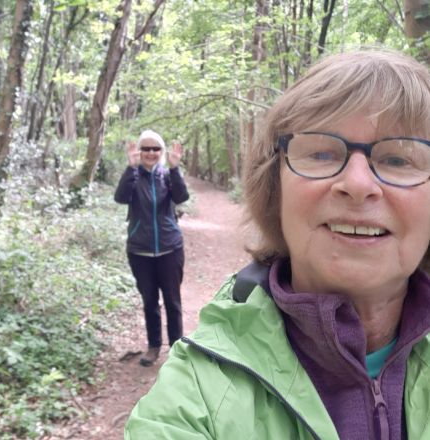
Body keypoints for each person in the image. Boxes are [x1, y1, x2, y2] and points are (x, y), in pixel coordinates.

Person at [125, 48, 430, 439]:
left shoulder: (168, 175)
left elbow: (180, 194)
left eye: (398, 160)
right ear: (275, 188)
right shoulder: (198, 399)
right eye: (321, 153)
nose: (357, 184)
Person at [114, 129, 189, 367]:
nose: (150, 153)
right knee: (149, 301)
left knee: (172, 301)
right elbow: (120, 197)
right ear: (139, 150)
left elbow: (182, 196)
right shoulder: (133, 177)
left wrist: (175, 169)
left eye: (155, 148)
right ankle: (154, 346)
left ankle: (177, 348)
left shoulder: (167, 175)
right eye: (145, 148)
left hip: (170, 248)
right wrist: (130, 168)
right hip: (140, 251)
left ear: (162, 152)